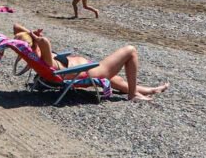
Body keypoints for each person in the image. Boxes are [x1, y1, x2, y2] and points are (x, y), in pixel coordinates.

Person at [12, 23, 168, 102]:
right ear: (34, 44)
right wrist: (37, 37)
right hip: (89, 71)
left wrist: (29, 38)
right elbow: (44, 41)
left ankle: (150, 90)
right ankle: (133, 94)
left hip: (83, 70)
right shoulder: (44, 54)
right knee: (130, 50)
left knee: (118, 81)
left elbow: (16, 26)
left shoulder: (32, 57)